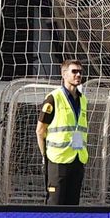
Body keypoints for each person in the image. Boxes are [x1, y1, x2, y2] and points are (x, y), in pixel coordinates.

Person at [38, 58, 90, 206]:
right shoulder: (53, 98)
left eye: (80, 72)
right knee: (55, 204)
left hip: (77, 158)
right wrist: (45, 156)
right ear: (64, 74)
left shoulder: (83, 100)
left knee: (73, 205)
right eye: (74, 71)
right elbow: (40, 131)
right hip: (58, 160)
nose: (78, 75)